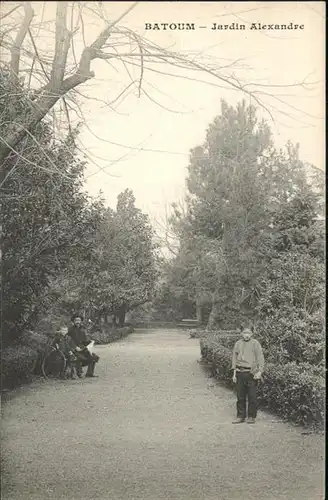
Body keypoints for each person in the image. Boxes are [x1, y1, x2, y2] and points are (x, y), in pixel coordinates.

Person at [231, 325, 264, 424]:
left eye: (249, 333)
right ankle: (240, 416)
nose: (246, 335)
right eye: (245, 333)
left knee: (252, 396)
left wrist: (259, 371)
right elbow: (234, 358)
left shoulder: (255, 344)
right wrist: (234, 374)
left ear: (252, 334)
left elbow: (260, 358)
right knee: (240, 396)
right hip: (240, 372)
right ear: (241, 333)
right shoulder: (238, 344)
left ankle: (251, 416)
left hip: (251, 373)